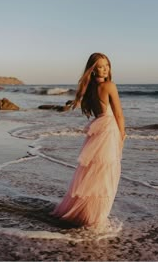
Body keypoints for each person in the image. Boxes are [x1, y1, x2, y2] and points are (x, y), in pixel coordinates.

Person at [50, 52, 125, 227]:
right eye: (101, 66)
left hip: (99, 128)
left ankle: (86, 214)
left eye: (107, 65)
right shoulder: (110, 86)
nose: (105, 69)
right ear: (93, 70)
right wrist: (122, 137)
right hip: (108, 131)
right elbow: (119, 115)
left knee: (93, 174)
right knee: (104, 175)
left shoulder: (90, 88)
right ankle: (95, 218)